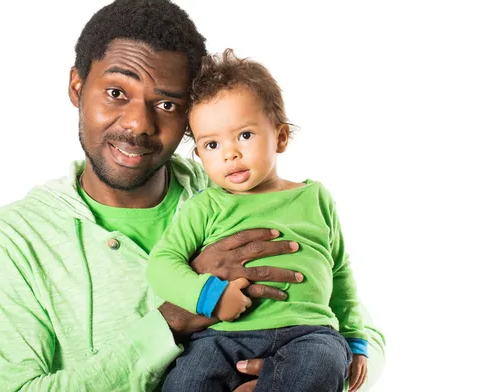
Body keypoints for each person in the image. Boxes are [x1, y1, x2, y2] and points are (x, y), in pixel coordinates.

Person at [0, 0, 385, 392]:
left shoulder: (235, 194)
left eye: (166, 105)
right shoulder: (12, 238)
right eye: (115, 93)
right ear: (76, 86)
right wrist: (173, 319)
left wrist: (313, 377)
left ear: (190, 119)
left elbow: (357, 328)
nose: (138, 124)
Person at [146, 49, 368, 392]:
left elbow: (339, 271)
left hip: (308, 332)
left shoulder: (315, 198)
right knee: (184, 382)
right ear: (199, 154)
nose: (229, 153)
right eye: (212, 144)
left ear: (280, 137)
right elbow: (162, 264)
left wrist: (355, 338)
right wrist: (211, 297)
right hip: (221, 337)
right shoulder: (203, 207)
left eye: (244, 135)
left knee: (324, 364)